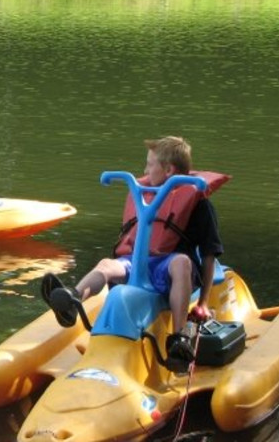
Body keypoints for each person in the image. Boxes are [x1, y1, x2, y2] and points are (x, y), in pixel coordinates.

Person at [42, 136, 224, 372]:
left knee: (181, 262)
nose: (144, 170)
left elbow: (209, 255)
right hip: (136, 263)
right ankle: (72, 300)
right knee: (107, 264)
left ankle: (179, 338)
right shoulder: (144, 194)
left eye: (149, 164)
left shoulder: (198, 203)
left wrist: (203, 302)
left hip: (169, 268)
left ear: (169, 170)